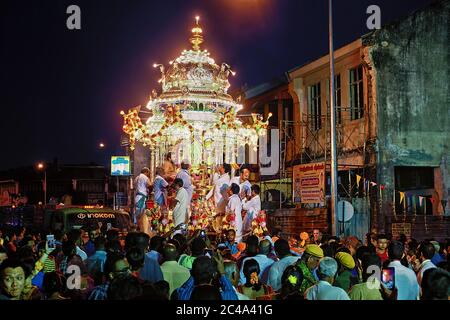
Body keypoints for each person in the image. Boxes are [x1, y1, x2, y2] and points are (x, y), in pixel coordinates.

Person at [172, 255, 238, 300]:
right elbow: (232, 294)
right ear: (213, 275)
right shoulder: (221, 296)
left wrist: (196, 271)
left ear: (192, 272)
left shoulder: (185, 295)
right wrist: (222, 273)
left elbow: (183, 289)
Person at [134, 167, 151, 232]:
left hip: (137, 197)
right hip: (141, 198)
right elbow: (150, 184)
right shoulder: (144, 177)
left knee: (138, 214)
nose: (148, 175)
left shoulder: (137, 178)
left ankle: (138, 227)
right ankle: (140, 228)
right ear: (146, 172)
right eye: (148, 173)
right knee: (141, 214)